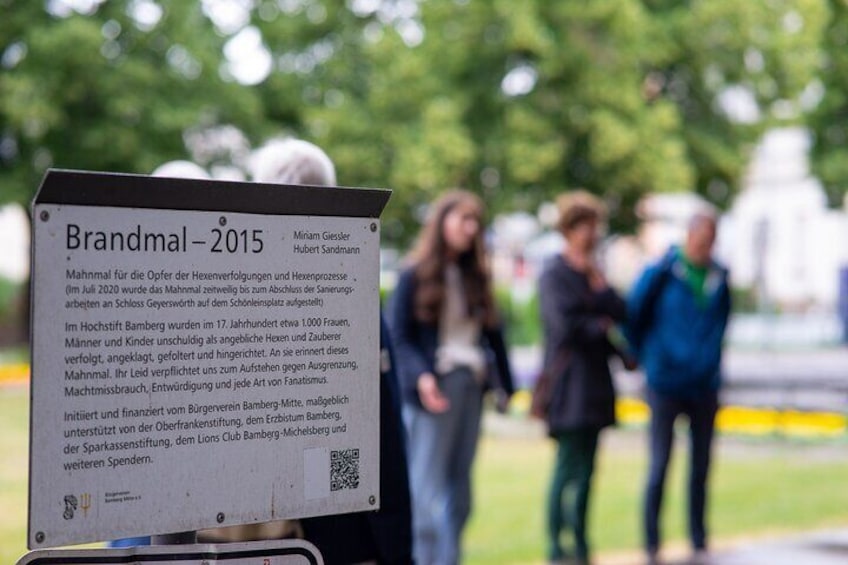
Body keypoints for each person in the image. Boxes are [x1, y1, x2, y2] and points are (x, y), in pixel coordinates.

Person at [244, 137, 414, 564]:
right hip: (347, 525)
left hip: (278, 529)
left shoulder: (241, 290)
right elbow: (382, 421)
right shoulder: (346, 283)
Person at [388, 190, 514, 565]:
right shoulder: (414, 274)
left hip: (470, 386)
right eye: (463, 219)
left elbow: (495, 336)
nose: (470, 228)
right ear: (442, 222)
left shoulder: (477, 277)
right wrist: (421, 377)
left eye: (475, 222)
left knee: (460, 491)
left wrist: (506, 387)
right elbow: (398, 336)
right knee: (425, 489)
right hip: (434, 389)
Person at [625, 210, 731, 565]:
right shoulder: (662, 273)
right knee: (659, 465)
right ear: (689, 236)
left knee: (701, 468)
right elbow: (633, 316)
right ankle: (652, 544)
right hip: (666, 382)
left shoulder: (719, 277)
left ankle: (698, 540)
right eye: (700, 240)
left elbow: (721, 325)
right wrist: (648, 359)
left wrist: (712, 364)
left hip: (703, 384)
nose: (704, 248)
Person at [537, 191, 627, 565]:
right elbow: (565, 326)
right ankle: (557, 543)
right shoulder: (554, 274)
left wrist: (599, 287)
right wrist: (598, 322)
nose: (590, 233)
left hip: (595, 385)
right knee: (566, 464)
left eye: (594, 226)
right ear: (569, 228)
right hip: (568, 386)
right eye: (584, 225)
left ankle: (582, 538)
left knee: (589, 468)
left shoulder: (594, 274)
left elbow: (621, 311)